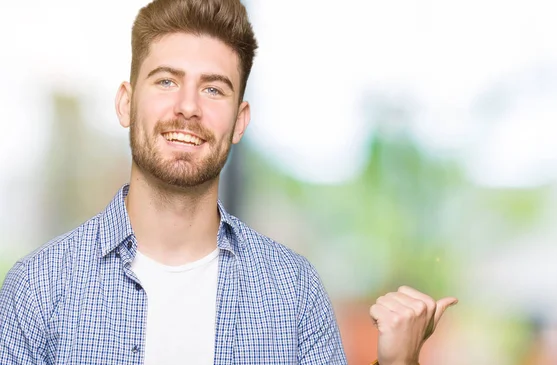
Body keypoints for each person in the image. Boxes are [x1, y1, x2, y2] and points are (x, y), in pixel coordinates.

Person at [0, 0, 457, 364]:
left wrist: (400, 363)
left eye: (213, 88)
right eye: (165, 81)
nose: (188, 107)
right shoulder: (38, 290)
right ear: (125, 103)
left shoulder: (292, 291)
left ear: (239, 122)